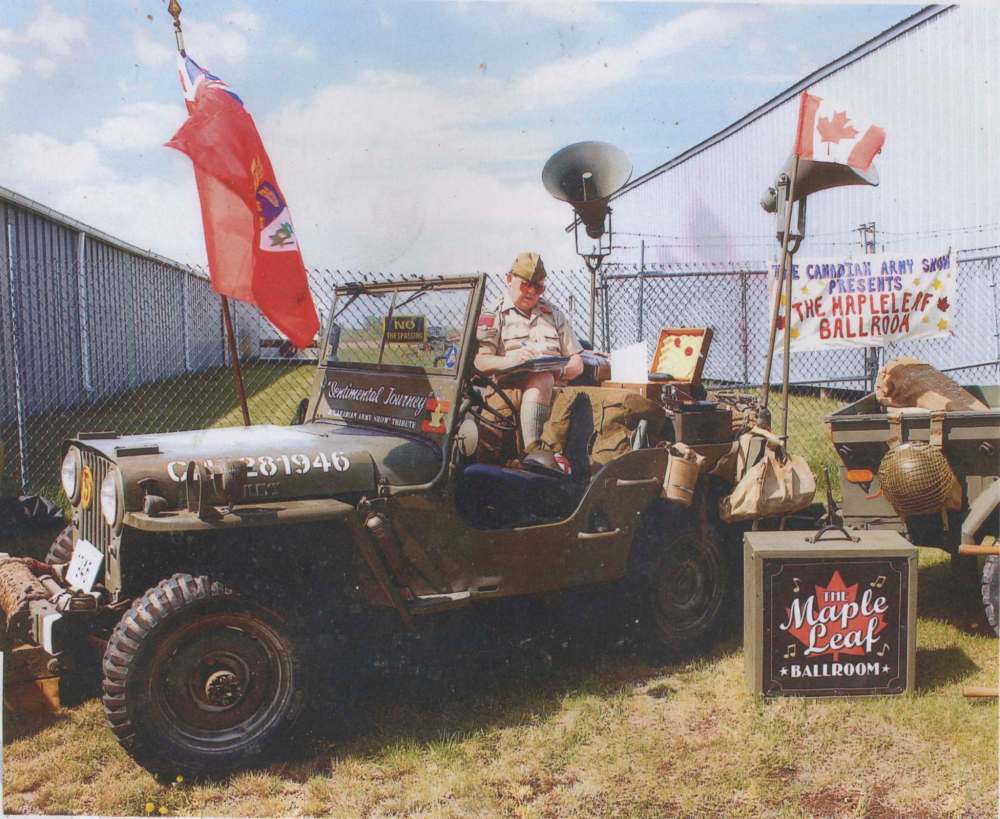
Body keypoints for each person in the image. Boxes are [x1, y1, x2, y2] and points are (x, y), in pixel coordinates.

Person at [474, 252, 584, 451]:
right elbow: (481, 363)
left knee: (543, 379)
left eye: (538, 287)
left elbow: (577, 363)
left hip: (555, 393)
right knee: (487, 450)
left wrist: (553, 371)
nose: (531, 292)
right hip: (508, 389)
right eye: (525, 284)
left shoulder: (554, 315)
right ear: (509, 279)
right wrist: (513, 360)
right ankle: (533, 454)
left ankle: (534, 455)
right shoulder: (494, 313)